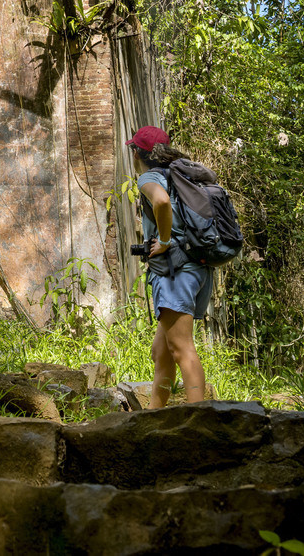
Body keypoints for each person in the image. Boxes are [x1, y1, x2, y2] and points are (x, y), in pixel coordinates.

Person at [129, 125, 210, 408]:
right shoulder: (183, 177)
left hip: (175, 272)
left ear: (138, 153)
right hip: (196, 269)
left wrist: (162, 241)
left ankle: (198, 417)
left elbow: (161, 202)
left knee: (182, 349)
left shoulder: (149, 178)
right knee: (161, 352)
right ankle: (154, 416)